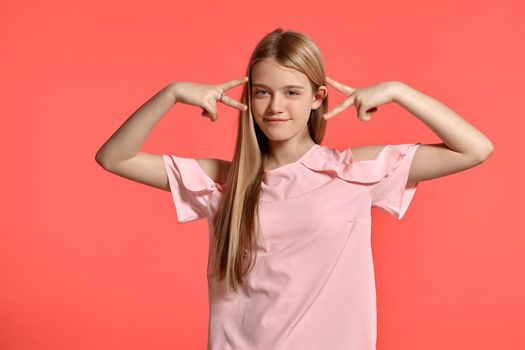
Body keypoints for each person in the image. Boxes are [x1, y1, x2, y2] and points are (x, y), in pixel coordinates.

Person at [95, 28, 494, 350]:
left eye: (292, 92)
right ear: (249, 99)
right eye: (262, 91)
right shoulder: (224, 181)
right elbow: (115, 158)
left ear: (318, 98)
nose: (275, 107)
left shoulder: (352, 172)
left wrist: (397, 91)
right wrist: (171, 94)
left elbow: (474, 148)